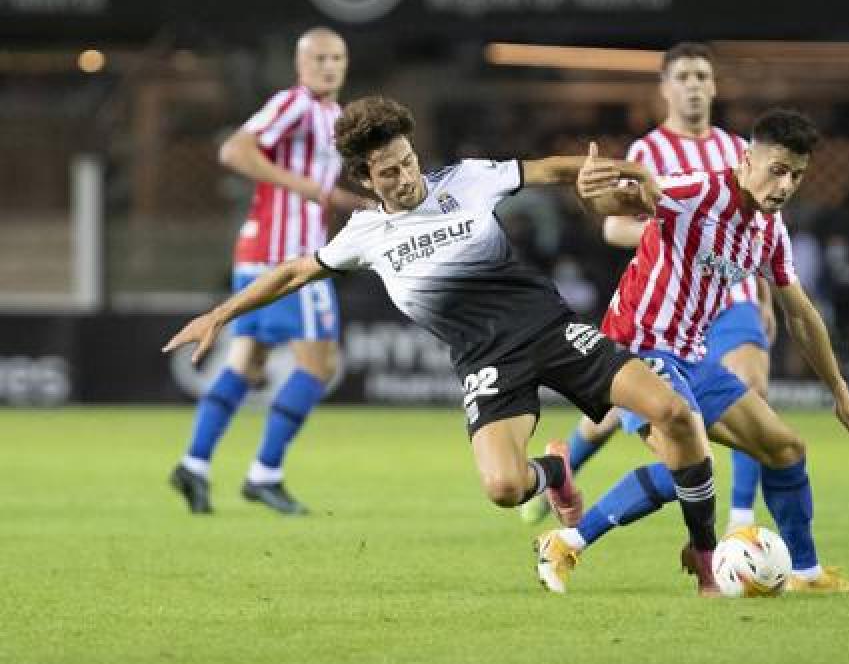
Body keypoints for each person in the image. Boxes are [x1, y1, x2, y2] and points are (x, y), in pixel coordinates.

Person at [163, 96, 722, 573]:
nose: (405, 178)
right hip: (487, 364)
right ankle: (556, 471)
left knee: (673, 413)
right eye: (389, 173)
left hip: (553, 331)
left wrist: (616, 169)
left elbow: (549, 168)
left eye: (407, 162)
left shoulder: (468, 179)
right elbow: (292, 272)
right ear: (364, 178)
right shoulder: (365, 235)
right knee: (503, 489)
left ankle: (704, 551)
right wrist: (220, 315)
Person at [535, 109, 849, 595]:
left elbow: (800, 314)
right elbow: (626, 201)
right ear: (746, 160)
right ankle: (567, 541)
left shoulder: (769, 230)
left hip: (691, 356)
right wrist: (595, 192)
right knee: (692, 462)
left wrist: (840, 391)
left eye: (797, 176)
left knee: (785, 450)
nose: (785, 185)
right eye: (777, 170)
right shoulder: (697, 191)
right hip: (634, 351)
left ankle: (806, 574)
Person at [522, 42, 774, 533]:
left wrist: (763, 295)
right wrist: (683, 237)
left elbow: (757, 226)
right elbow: (615, 228)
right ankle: (562, 473)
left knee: (752, 388)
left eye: (702, 76)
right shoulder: (647, 153)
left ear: (715, 85)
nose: (694, 86)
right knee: (617, 409)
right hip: (667, 305)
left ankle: (740, 524)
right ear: (665, 88)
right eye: (683, 77)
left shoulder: (738, 150)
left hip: (729, 297)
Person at [168, 28, 369, 516]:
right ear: (301, 65)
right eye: (319, 58)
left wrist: (341, 198)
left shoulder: (334, 116)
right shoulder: (294, 104)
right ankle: (265, 474)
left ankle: (193, 464)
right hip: (291, 258)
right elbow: (234, 151)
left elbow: (318, 185)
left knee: (249, 361)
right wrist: (311, 191)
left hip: (259, 252)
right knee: (318, 364)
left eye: (337, 58)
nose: (329, 66)